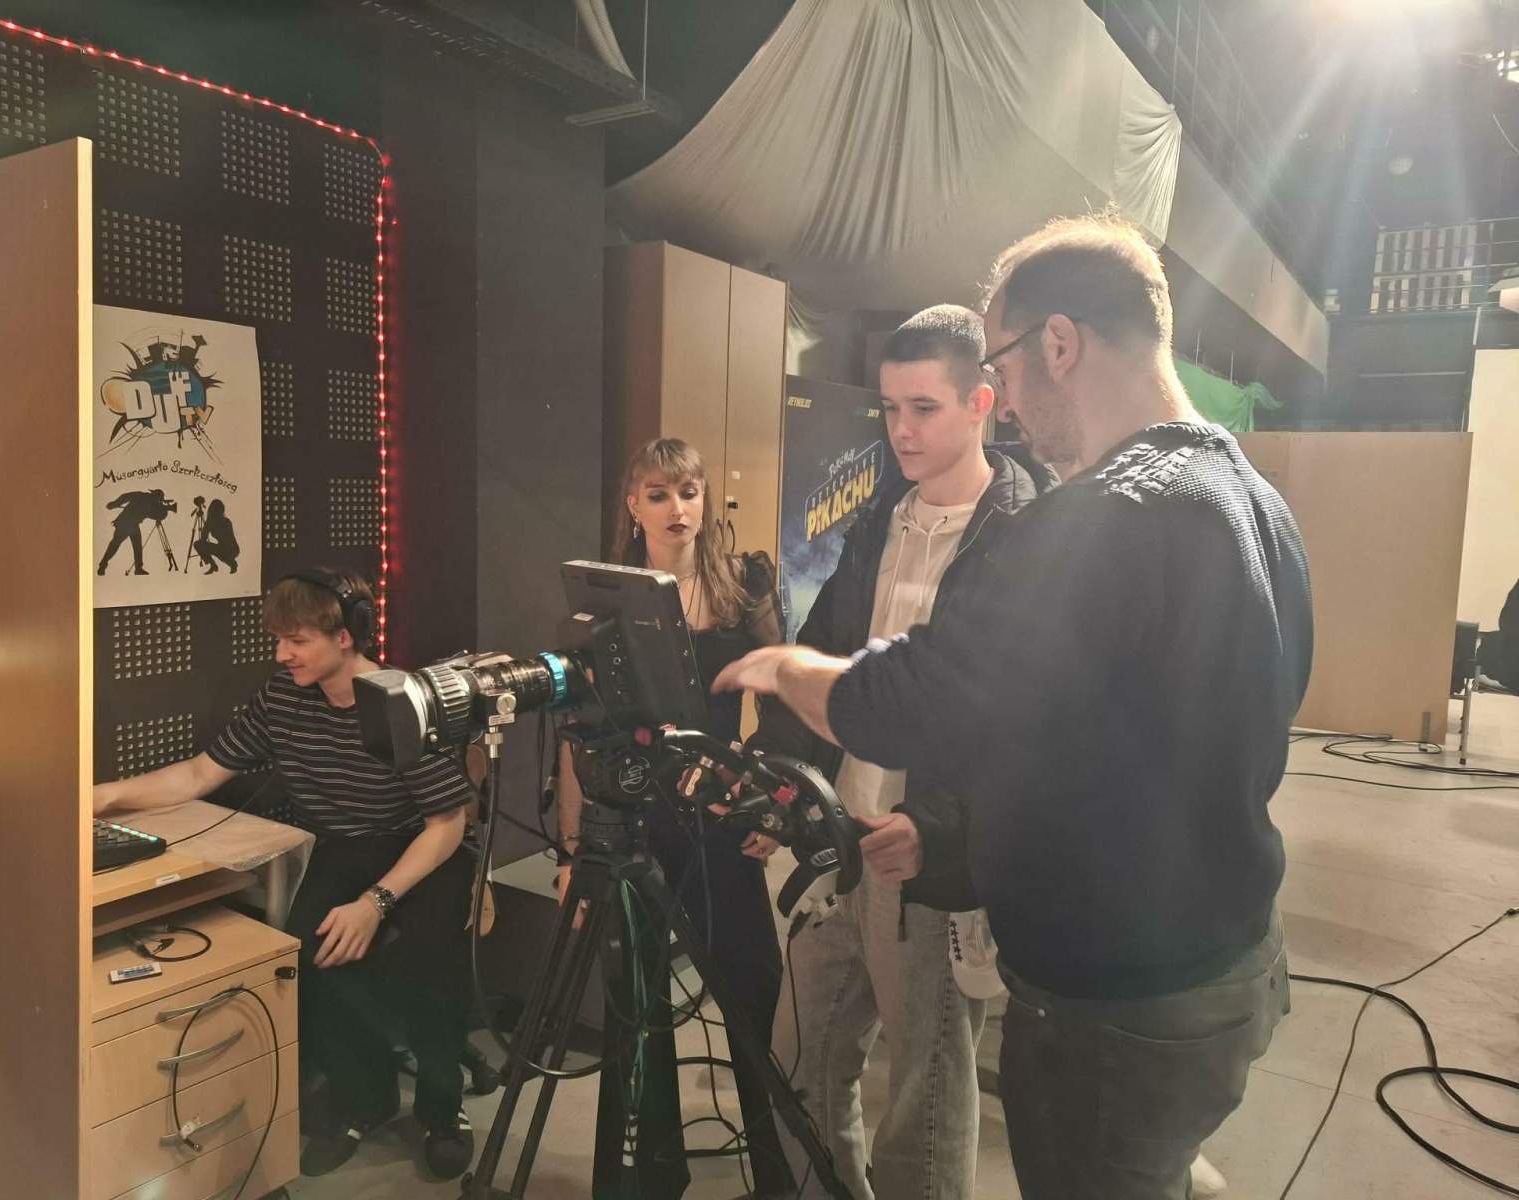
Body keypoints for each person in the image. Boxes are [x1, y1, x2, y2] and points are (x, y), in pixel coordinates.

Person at [715, 213, 1313, 1200]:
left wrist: (788, 669)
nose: (1010, 403)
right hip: (1225, 960)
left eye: (1002, 364)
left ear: (1059, 344)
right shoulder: (1250, 493)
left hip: (1119, 992)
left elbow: (922, 701)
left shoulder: (1099, 516)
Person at [750, 304, 1050, 1199]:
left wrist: (943, 828)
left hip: (926, 865)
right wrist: (775, 786)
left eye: (924, 408)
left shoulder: (1026, 537)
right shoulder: (879, 516)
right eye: (889, 408)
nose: (903, 430)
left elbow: (1027, 727)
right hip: (839, 841)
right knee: (798, 1062)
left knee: (923, 1103)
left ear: (980, 403)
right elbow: (825, 660)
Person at [93, 568, 482, 1181]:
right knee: (304, 956)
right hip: (342, 848)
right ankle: (367, 1097)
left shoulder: (402, 702)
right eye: (279, 640)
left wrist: (376, 903)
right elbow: (199, 774)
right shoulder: (283, 697)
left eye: (297, 640)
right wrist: (104, 796)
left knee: (430, 968)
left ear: (347, 636)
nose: (282, 654)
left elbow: (447, 824)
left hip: (420, 853)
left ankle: (442, 1112)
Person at [555, 437, 794, 1199]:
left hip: (720, 814)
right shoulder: (607, 599)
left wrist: (770, 803)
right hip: (635, 819)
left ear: (704, 497)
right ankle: (653, 1176)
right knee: (638, 1002)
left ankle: (778, 1171)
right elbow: (582, 732)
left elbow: (786, 696)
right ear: (634, 506)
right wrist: (573, 850)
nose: (677, 508)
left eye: (688, 491)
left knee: (753, 988)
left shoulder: (745, 583)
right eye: (658, 494)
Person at [97, 488, 175, 576]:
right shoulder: (149, 503)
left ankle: (105, 565)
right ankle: (137, 568)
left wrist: (115, 504)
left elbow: (125, 497)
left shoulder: (142, 497)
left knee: (120, 545)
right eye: (159, 499)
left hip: (129, 524)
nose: (158, 501)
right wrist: (166, 508)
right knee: (122, 545)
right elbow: (158, 515)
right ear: (156, 497)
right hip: (127, 524)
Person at [193, 497, 240, 574]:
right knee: (198, 544)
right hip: (222, 548)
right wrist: (206, 527)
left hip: (232, 549)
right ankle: (213, 565)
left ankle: (232, 563)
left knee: (221, 554)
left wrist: (208, 525)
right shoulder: (212, 522)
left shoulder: (226, 522)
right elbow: (203, 539)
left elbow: (228, 539)